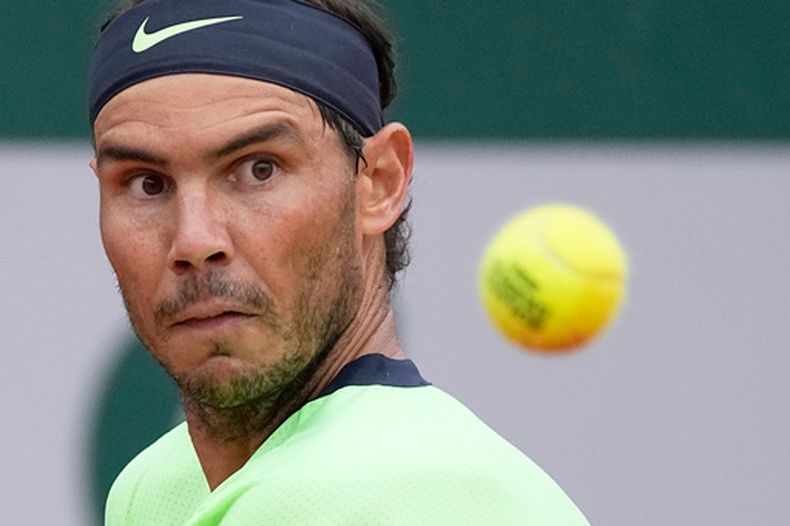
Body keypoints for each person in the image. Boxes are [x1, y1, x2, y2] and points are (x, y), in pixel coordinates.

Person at [88, 0, 590, 523]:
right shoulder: (153, 487)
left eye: (260, 169)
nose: (194, 240)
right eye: (147, 183)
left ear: (380, 181)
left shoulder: (401, 494)